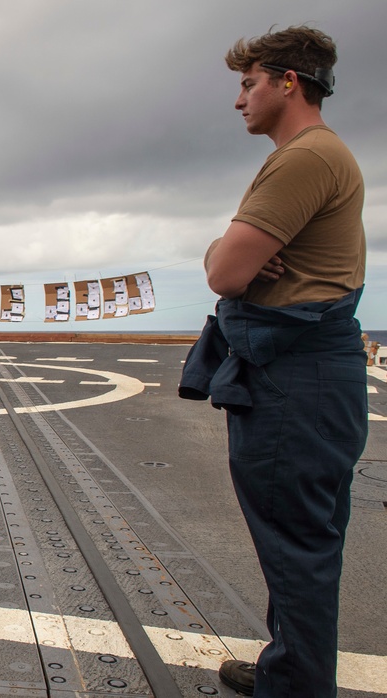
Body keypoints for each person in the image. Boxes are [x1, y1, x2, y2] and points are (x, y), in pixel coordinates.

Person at [179, 26, 367, 697]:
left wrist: (221, 255)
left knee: (298, 549)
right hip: (309, 377)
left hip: (296, 384)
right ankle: (289, 668)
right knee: (299, 545)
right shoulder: (318, 155)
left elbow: (227, 272)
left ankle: (295, 687)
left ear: (289, 81)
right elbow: (227, 262)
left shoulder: (304, 158)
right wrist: (222, 253)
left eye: (249, 82)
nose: (239, 99)